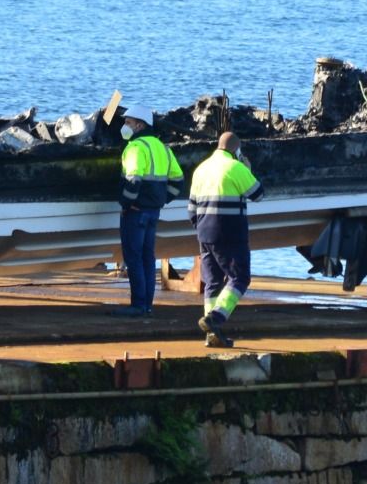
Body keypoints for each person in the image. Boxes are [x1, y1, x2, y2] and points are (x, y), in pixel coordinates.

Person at [187, 131, 263, 348]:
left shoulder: (201, 169)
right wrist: (248, 169)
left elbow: (191, 209)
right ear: (237, 150)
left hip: (204, 233)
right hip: (230, 232)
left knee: (212, 282)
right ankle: (216, 318)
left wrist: (202, 228)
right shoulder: (236, 167)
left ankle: (212, 335)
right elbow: (258, 194)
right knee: (240, 278)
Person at [111, 103, 183, 318]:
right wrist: (161, 200)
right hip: (154, 211)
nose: (125, 126)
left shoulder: (135, 148)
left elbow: (133, 180)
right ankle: (147, 305)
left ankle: (137, 305)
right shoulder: (163, 148)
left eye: (128, 122)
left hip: (136, 212)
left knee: (133, 258)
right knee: (147, 258)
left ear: (139, 125)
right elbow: (178, 180)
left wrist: (126, 204)